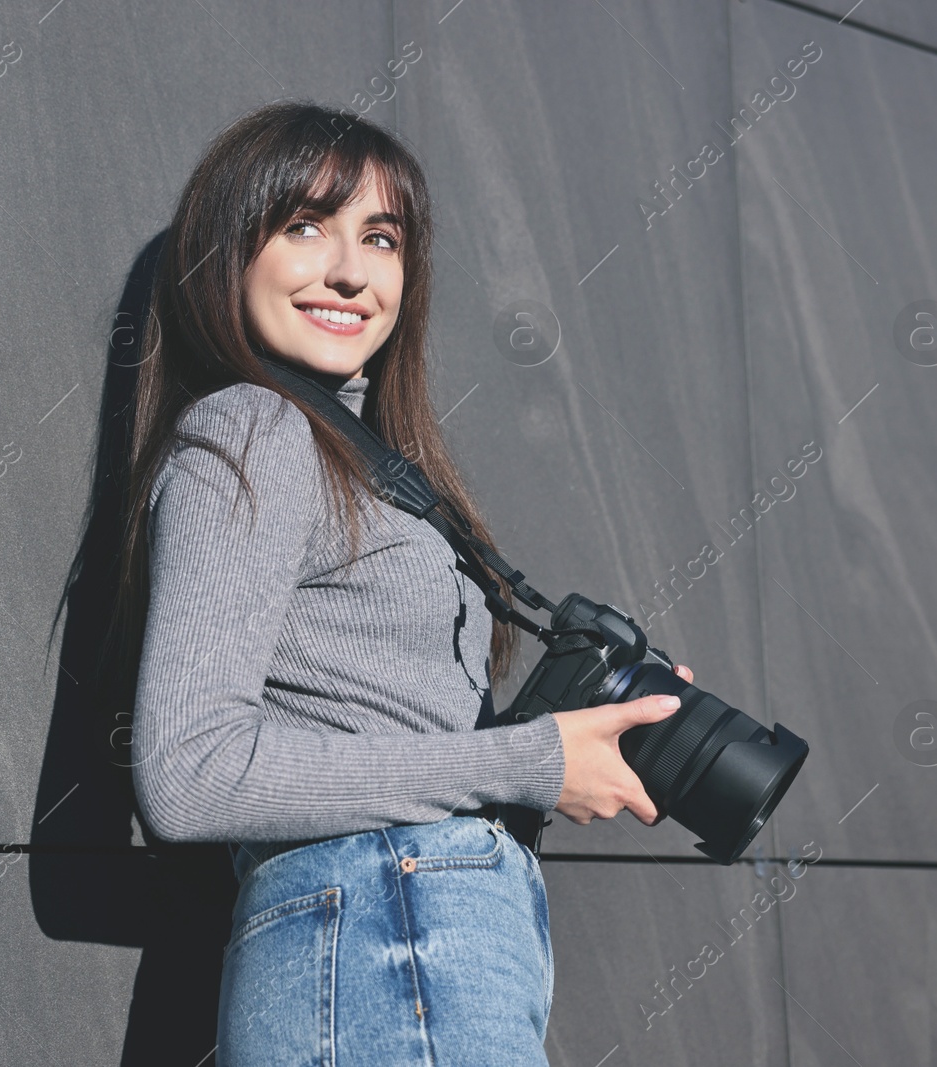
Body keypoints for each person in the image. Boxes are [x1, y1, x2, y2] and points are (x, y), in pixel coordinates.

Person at [101, 100, 693, 1066]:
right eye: (304, 228)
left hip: (411, 931)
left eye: (380, 237)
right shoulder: (250, 427)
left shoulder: (369, 456)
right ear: (228, 251)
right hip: (386, 928)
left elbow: (379, 729)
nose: (350, 270)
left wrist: (593, 732)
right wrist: (526, 762)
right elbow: (189, 775)